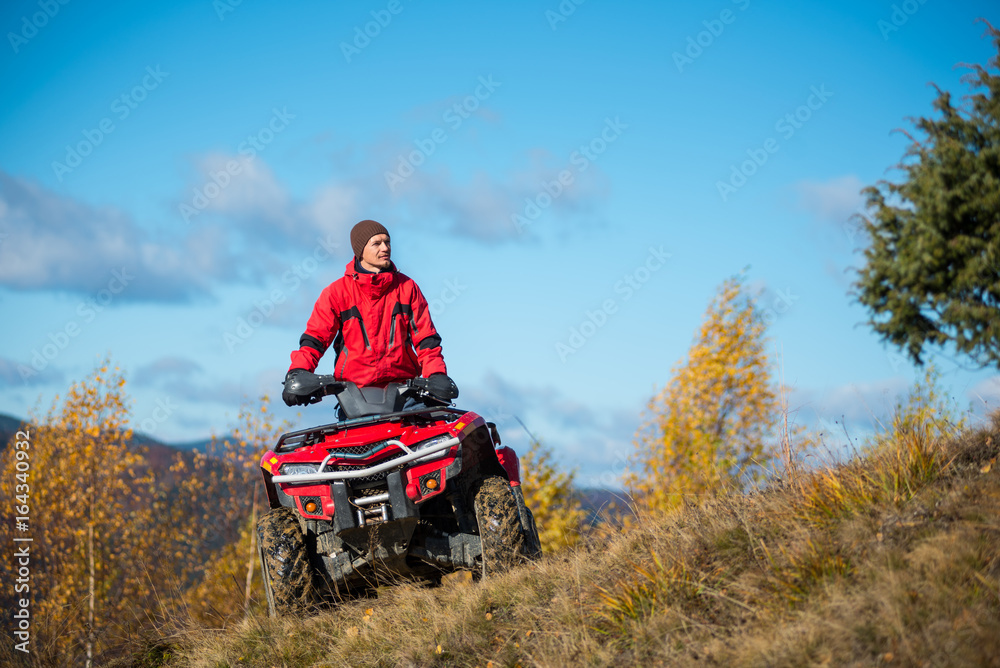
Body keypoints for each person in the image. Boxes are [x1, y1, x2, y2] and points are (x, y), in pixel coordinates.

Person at [282, 219, 457, 408]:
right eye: (376, 243)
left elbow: (427, 340)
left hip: (406, 394)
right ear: (360, 251)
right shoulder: (336, 293)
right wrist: (298, 372)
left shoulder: (408, 288)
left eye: (387, 242)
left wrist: (436, 375)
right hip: (353, 397)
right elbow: (314, 339)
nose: (385, 248)